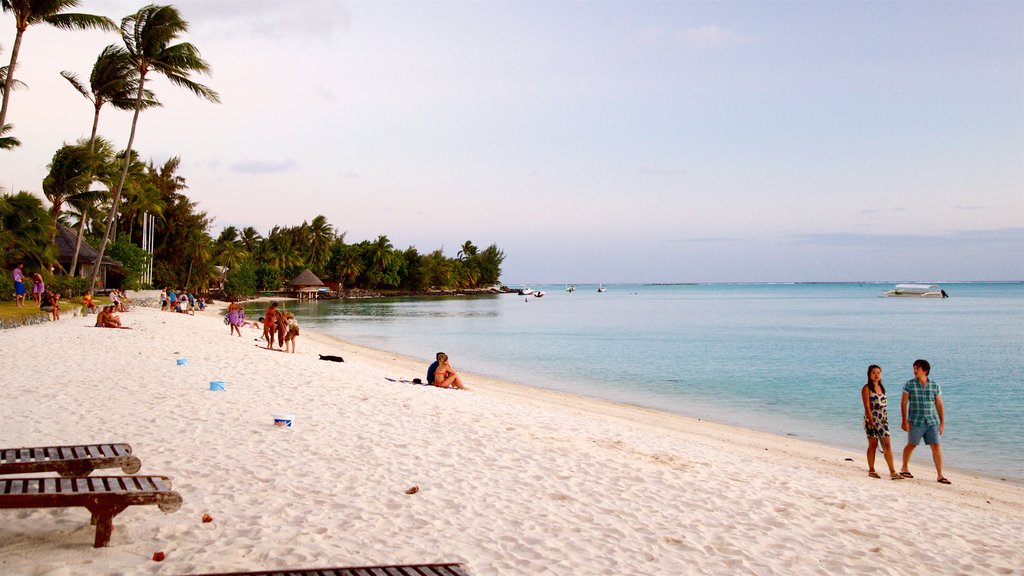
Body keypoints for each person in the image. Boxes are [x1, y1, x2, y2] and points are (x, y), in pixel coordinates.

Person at [900, 359, 949, 484]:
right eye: (914, 368)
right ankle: (904, 468)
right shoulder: (909, 384)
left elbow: (939, 404)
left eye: (918, 368)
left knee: (936, 446)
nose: (915, 371)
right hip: (915, 421)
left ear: (925, 371)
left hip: (932, 421)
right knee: (911, 445)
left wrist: (942, 422)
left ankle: (940, 475)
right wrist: (904, 420)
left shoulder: (934, 385)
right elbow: (904, 402)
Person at [861, 365, 902, 480]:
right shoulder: (866, 388)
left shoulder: (881, 387)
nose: (876, 375)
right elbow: (867, 406)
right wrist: (871, 421)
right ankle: (871, 469)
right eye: (874, 372)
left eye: (878, 372)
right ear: (869, 374)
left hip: (883, 420)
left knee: (887, 444)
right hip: (871, 420)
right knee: (873, 445)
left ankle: (892, 471)